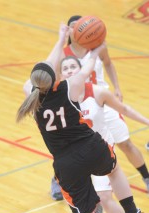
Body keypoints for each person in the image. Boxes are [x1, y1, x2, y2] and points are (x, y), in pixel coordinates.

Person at [17, 23, 124, 213]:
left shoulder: (31, 96)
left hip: (65, 165)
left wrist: (61, 39)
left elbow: (42, 72)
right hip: (90, 148)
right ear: (55, 77)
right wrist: (94, 47)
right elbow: (86, 66)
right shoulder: (68, 88)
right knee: (114, 170)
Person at [51, 15, 149, 201]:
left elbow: (109, 64)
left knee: (125, 143)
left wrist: (117, 87)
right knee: (71, 148)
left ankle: (146, 176)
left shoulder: (96, 46)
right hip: (77, 105)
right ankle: (58, 180)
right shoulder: (64, 54)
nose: (75, 29)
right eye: (72, 26)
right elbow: (56, 77)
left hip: (101, 99)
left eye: (79, 26)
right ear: (70, 31)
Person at [59, 56, 149, 213]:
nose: (69, 70)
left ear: (82, 71)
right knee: (94, 202)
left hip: (102, 152)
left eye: (73, 67)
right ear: (61, 75)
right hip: (80, 157)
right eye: (65, 68)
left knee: (105, 196)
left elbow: (124, 109)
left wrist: (147, 121)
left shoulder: (96, 92)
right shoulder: (61, 99)